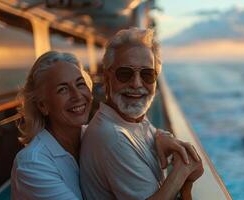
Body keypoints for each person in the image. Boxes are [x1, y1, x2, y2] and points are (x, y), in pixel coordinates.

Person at [11, 51, 197, 200]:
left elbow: (142, 129)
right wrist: (179, 173)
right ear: (43, 105)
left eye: (80, 84)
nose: (77, 96)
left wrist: (161, 137)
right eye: (63, 89)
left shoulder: (88, 135)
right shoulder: (33, 164)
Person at [80, 27, 204, 200]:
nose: (137, 84)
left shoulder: (134, 120)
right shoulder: (113, 137)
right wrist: (181, 172)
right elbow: (190, 169)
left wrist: (163, 136)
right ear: (107, 78)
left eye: (147, 74)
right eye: (125, 73)